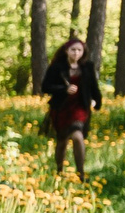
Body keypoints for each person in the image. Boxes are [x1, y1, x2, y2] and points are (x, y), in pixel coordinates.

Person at [42, 35, 101, 180]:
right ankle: (59, 171)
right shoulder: (57, 67)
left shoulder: (87, 67)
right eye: (73, 50)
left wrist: (96, 101)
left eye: (79, 50)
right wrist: (63, 89)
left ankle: (81, 173)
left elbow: (93, 86)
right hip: (61, 108)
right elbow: (45, 87)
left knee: (77, 136)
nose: (76, 53)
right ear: (67, 51)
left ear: (83, 52)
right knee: (62, 141)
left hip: (80, 107)